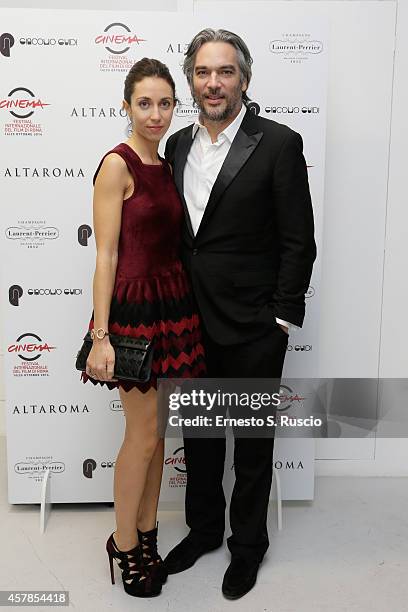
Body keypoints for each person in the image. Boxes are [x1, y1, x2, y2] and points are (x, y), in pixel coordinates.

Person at [164, 29, 316, 599]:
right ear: (191, 81)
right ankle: (203, 530)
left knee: (252, 447)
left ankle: (247, 546)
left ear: (244, 80)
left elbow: (298, 240)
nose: (213, 83)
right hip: (190, 323)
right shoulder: (177, 146)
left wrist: (281, 317)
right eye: (203, 72)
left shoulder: (277, 143)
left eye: (224, 72)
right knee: (200, 439)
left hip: (255, 325)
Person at [81, 57, 206, 598]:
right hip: (132, 311)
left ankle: (148, 531)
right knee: (142, 435)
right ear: (126, 105)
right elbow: (105, 253)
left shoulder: (167, 159)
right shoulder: (118, 163)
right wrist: (102, 336)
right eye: (144, 103)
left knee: (157, 437)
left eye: (165, 103)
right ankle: (124, 542)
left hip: (172, 303)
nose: (156, 113)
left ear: (175, 106)